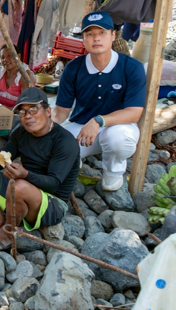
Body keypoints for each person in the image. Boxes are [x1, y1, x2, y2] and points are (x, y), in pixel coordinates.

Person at [0, 87, 81, 250]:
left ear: (48, 111)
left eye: (33, 109)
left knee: (18, 185)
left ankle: (8, 231)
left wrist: (25, 174)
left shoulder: (65, 142)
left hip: (51, 204)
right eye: (22, 112)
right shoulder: (20, 133)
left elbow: (54, 183)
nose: (28, 116)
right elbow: (0, 162)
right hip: (21, 191)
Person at [53, 11, 146, 191]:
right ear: (84, 39)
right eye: (90, 34)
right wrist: (44, 124)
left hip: (119, 126)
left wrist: (99, 120)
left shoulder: (131, 67)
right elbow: (61, 110)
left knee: (119, 139)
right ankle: (74, 160)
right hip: (83, 128)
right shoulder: (73, 68)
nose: (96, 38)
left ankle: (113, 172)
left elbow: (134, 112)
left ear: (113, 35)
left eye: (102, 32)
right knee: (53, 149)